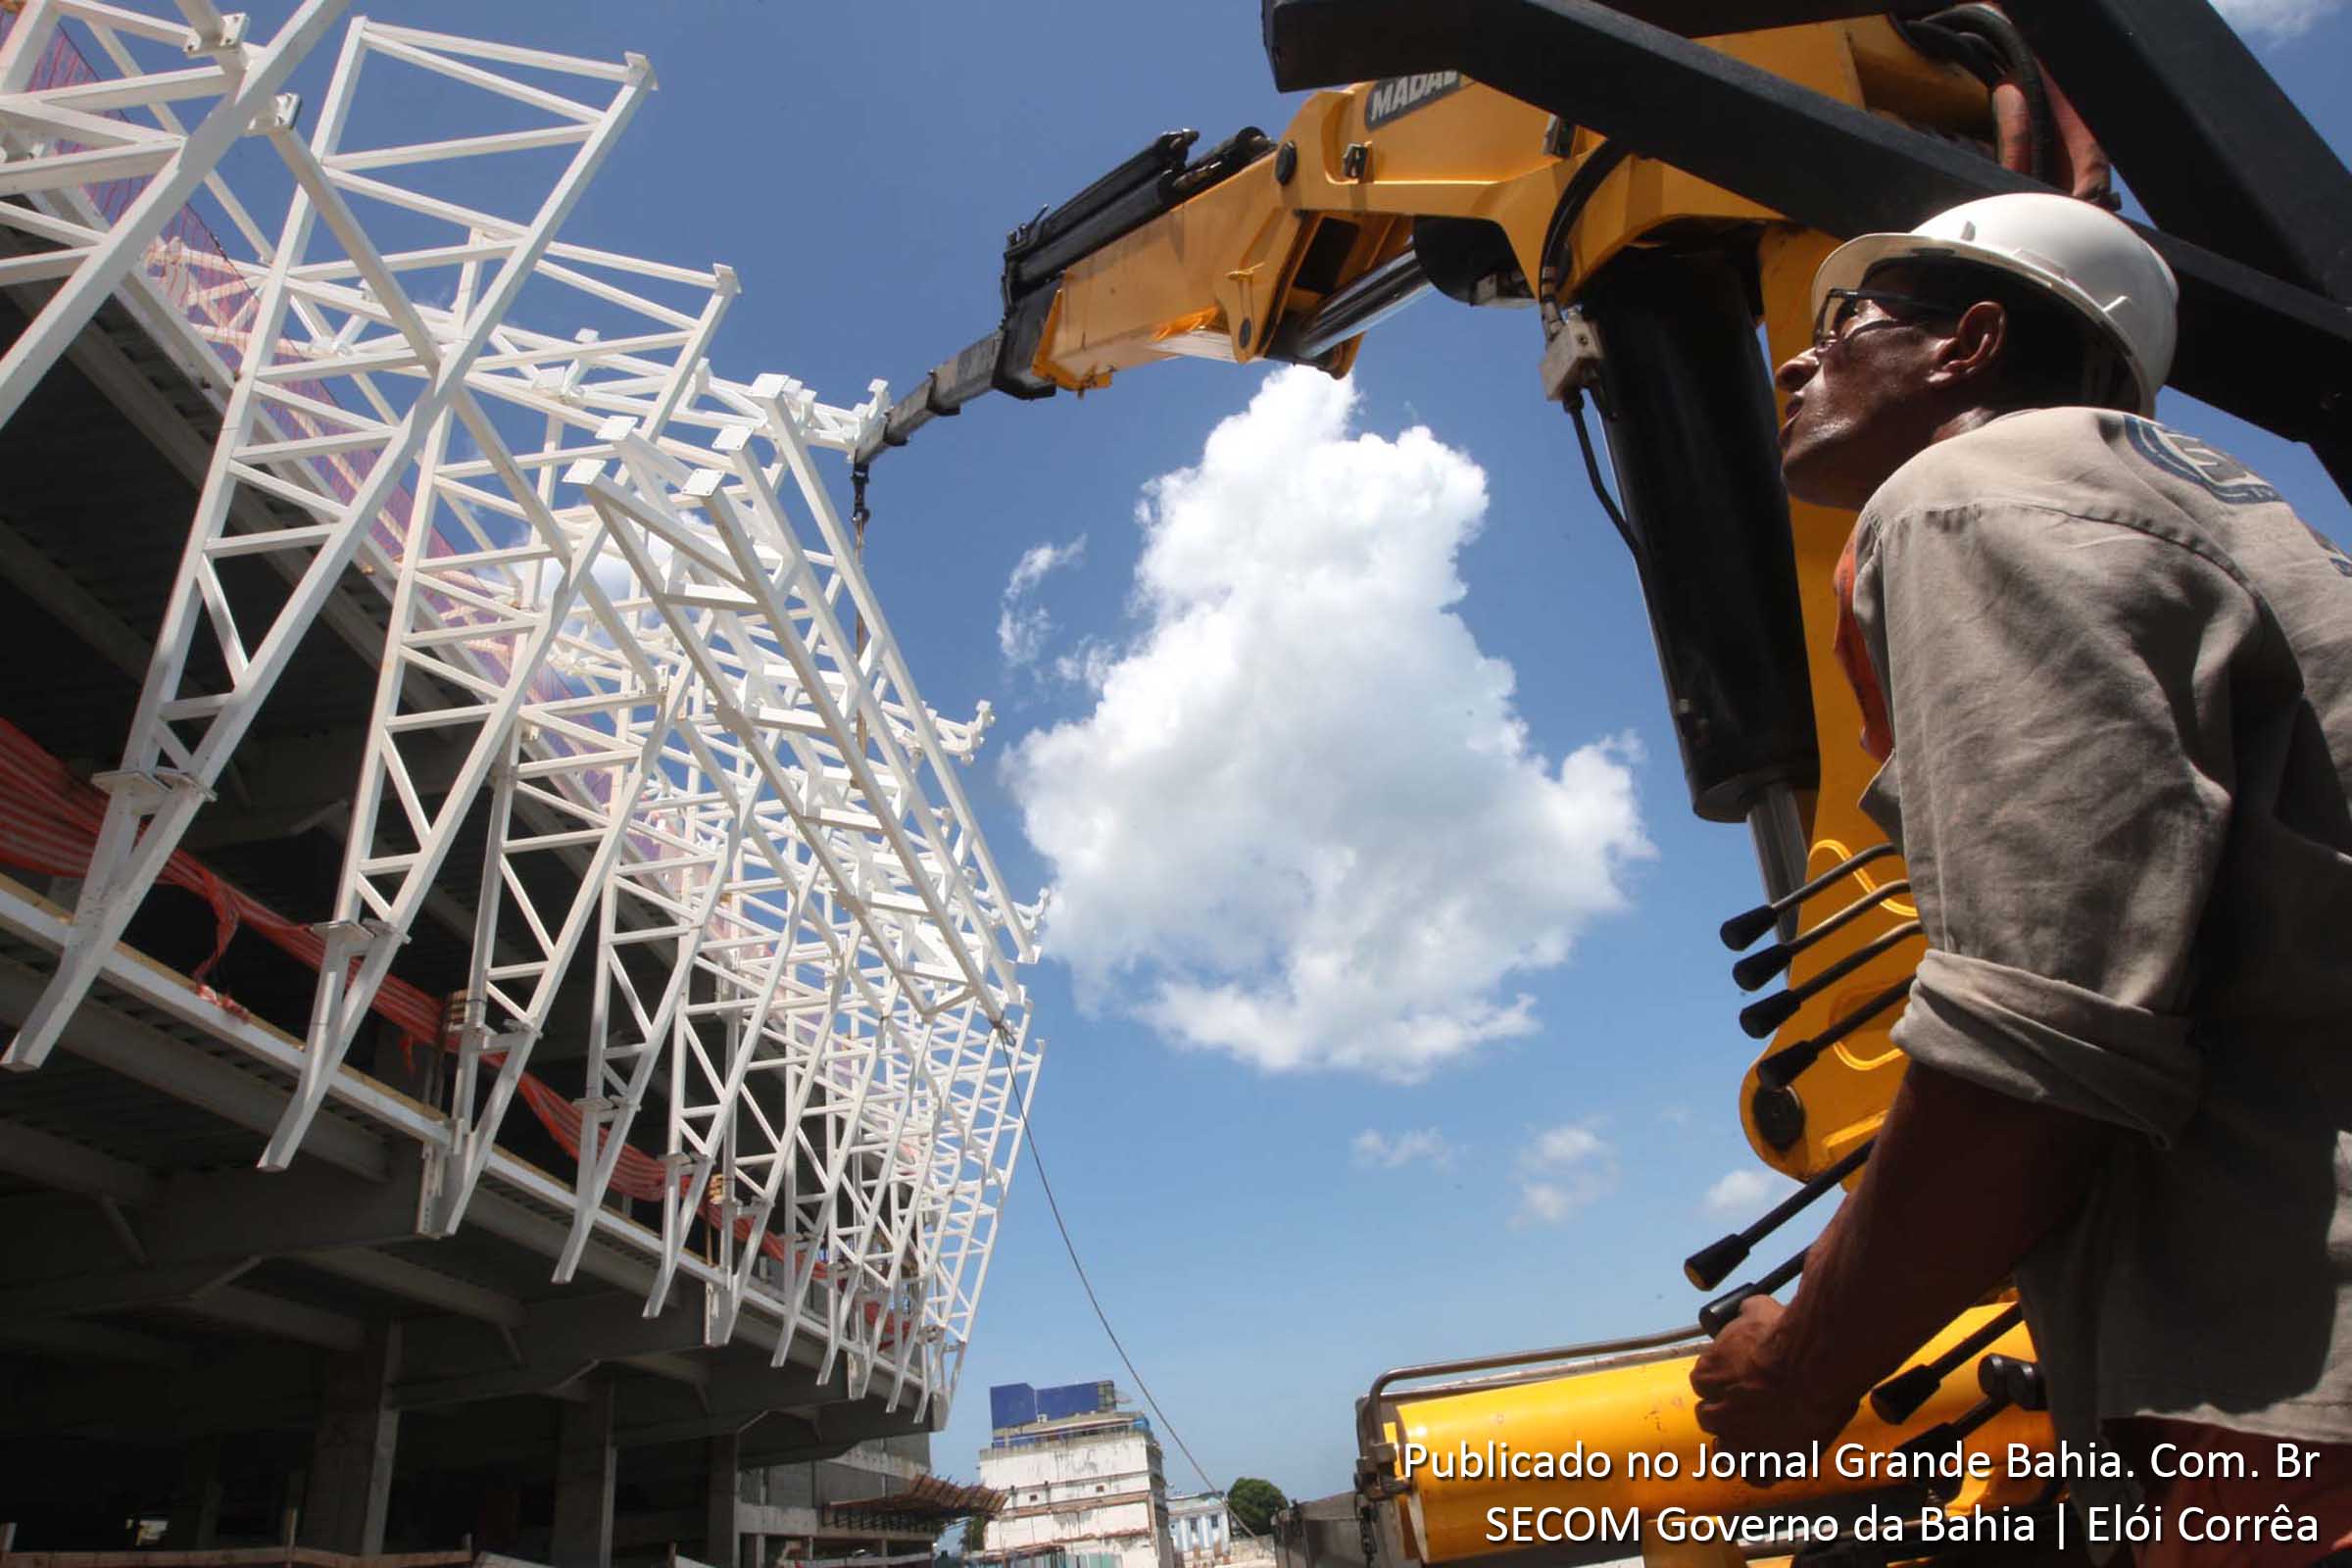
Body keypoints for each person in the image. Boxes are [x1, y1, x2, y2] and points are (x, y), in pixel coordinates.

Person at [1687, 191, 2352, 1565]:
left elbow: (2042, 1038)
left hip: (2287, 1405)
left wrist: (1802, 1367)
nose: (1797, 360)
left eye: (1844, 324)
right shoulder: (2251, 519)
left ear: (1970, 344)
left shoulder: (1964, 494)